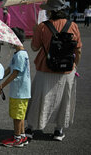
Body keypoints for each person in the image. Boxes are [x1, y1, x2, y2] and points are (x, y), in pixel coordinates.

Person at [25, 0, 82, 142]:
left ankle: (31, 128)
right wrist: (75, 64)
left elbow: (34, 48)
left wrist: (35, 31)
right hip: (66, 70)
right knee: (64, 100)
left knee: (39, 97)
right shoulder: (73, 25)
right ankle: (58, 130)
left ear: (50, 11)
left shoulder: (42, 27)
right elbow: (78, 49)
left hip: (45, 67)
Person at [0, 27, 30, 147]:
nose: (9, 41)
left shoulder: (20, 55)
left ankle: (17, 139)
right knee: (18, 115)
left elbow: (14, 73)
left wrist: (2, 86)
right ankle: (22, 136)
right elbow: (9, 69)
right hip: (20, 91)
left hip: (20, 91)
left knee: (17, 116)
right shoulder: (19, 54)